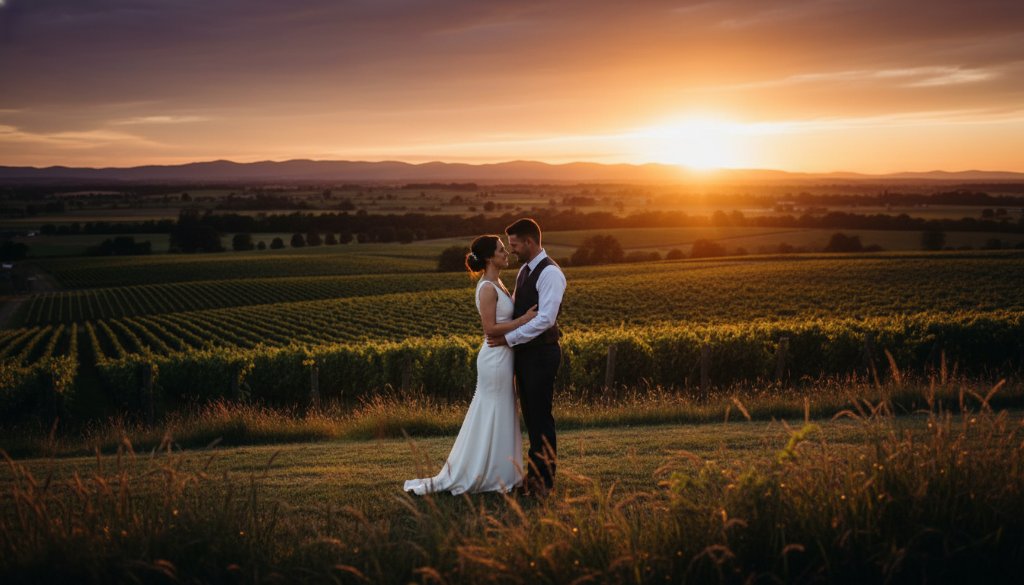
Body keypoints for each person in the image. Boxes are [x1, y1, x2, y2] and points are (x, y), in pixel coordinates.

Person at [404, 235, 537, 495]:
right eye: (501, 250)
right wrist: (524, 320)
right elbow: (490, 329)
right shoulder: (487, 287)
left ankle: (503, 472)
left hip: (503, 357)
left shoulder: (496, 282)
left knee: (501, 412)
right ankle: (491, 475)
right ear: (489, 257)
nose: (506, 253)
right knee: (495, 412)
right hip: (495, 359)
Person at [487, 218, 566, 495]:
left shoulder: (551, 274)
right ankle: (533, 478)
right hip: (526, 355)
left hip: (542, 355)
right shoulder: (524, 271)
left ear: (530, 242)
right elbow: (522, 314)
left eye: (515, 244)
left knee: (541, 417)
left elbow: (545, 319)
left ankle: (544, 482)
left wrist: (507, 338)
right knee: (532, 418)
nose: (513, 250)